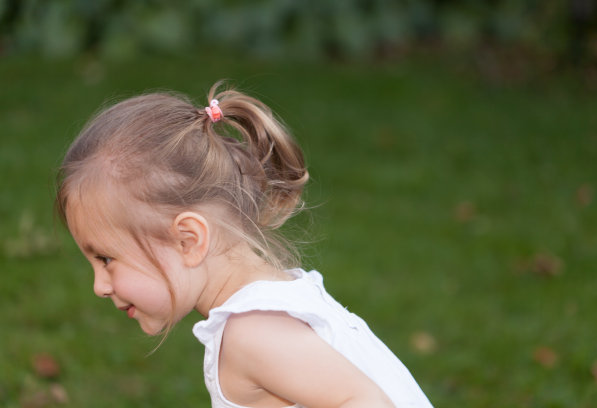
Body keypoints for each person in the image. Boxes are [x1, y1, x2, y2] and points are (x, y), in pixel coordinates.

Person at [55, 82, 434, 408]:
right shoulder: (273, 305)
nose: (99, 286)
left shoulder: (252, 333)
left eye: (106, 258)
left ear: (188, 240)